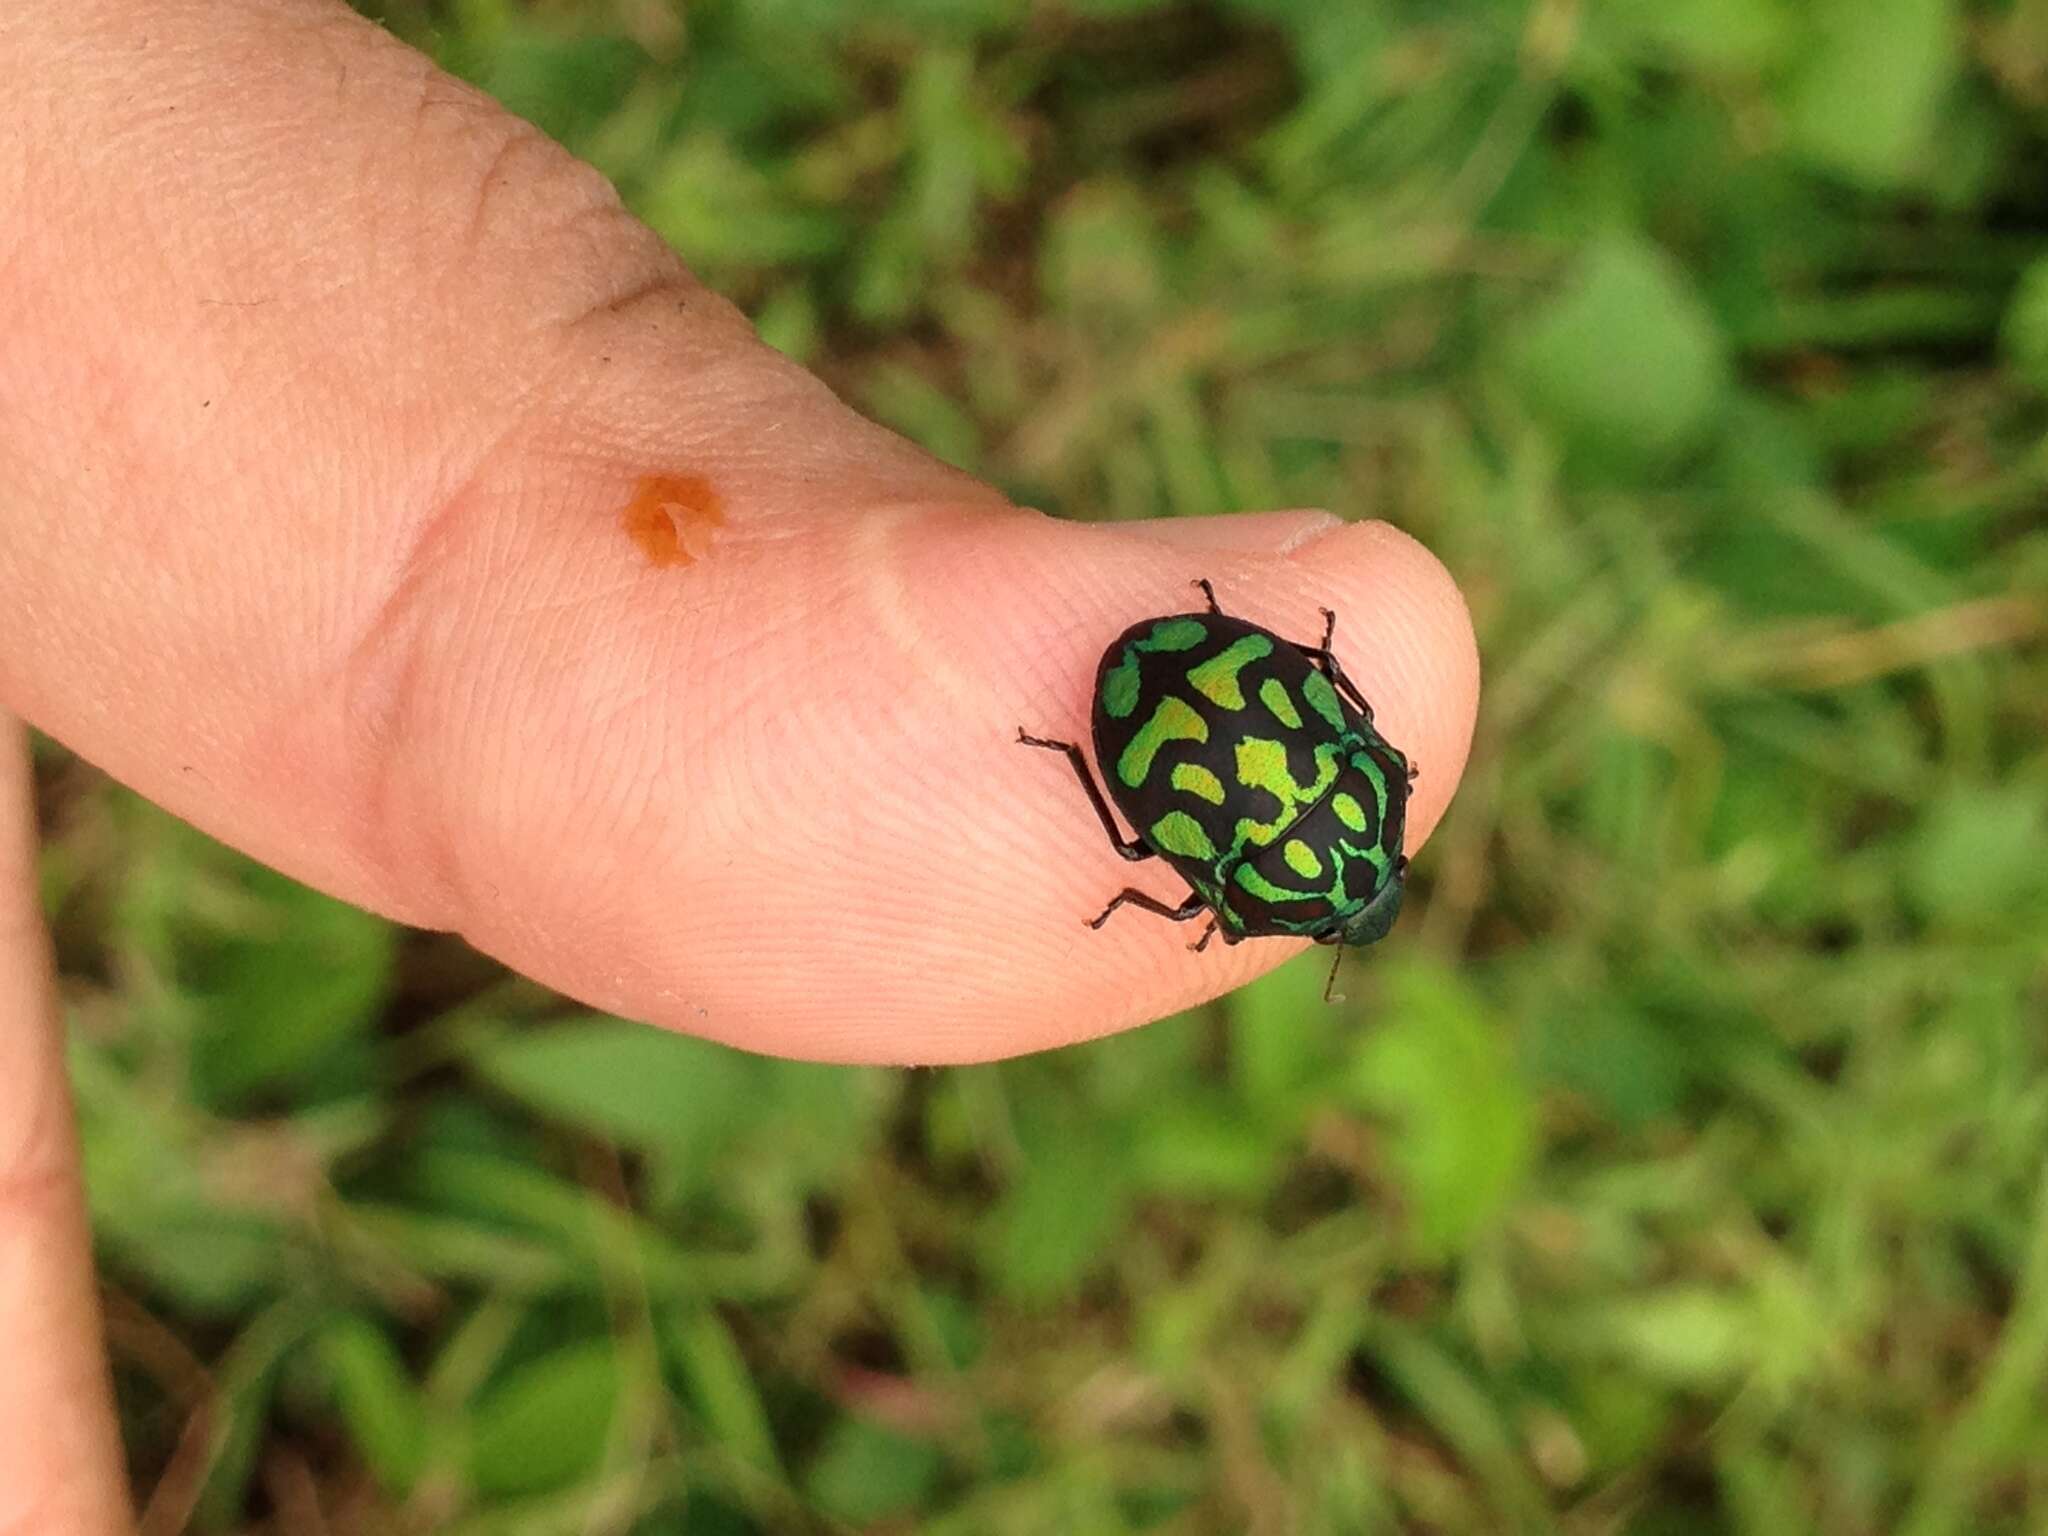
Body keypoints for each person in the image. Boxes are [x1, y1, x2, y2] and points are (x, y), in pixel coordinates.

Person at [0, 3, 1480, 1527]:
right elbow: (1195, 888)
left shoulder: (1366, 796)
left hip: (1189, 668)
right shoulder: (1269, 897)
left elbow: (1329, 704)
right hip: (1137, 712)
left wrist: (1237, 684)